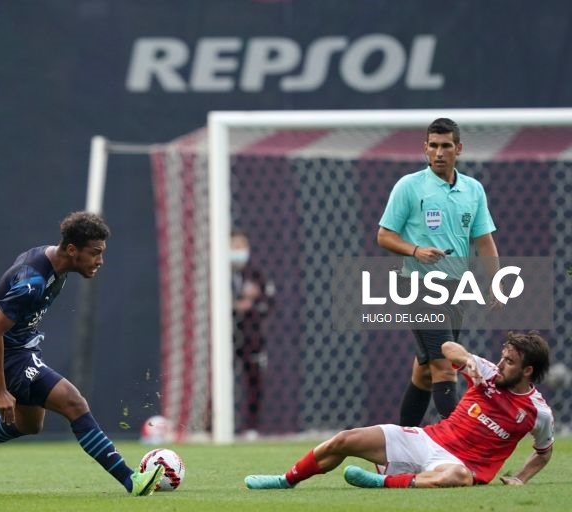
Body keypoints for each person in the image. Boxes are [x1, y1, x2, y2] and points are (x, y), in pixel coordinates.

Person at [0, 211, 164, 497]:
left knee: (29, 424)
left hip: (22, 347)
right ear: (72, 250)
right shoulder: (31, 283)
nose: (100, 261)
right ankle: (132, 480)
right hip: (9, 354)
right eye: (95, 253)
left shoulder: (52, 260)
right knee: (74, 403)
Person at [245, 331, 553, 490]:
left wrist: (521, 478)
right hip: (426, 439)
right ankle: (286, 480)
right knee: (345, 439)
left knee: (457, 475)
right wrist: (467, 359)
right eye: (501, 357)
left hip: (459, 464)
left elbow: (543, 451)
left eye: (509, 362)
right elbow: (447, 347)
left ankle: (381, 482)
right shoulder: (485, 371)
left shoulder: (538, 413)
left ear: (527, 371)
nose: (500, 365)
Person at [377, 118, 501, 426]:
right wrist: (416, 251)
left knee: (425, 372)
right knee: (446, 366)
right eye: (433, 145)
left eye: (446, 146)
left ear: (458, 149)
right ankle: (460, 449)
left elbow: (484, 241)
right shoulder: (409, 186)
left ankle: (397, 451)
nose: (439, 152)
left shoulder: (473, 190)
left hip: (456, 287)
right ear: (425, 149)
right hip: (418, 285)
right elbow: (384, 235)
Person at [231, 229, 275, 438]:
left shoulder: (256, 275)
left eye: (241, 246)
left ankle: (251, 427)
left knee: (254, 380)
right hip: (226, 338)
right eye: (233, 246)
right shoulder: (218, 276)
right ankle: (214, 425)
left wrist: (253, 305)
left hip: (252, 336)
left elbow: (270, 302)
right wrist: (233, 306)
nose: (237, 251)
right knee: (221, 380)